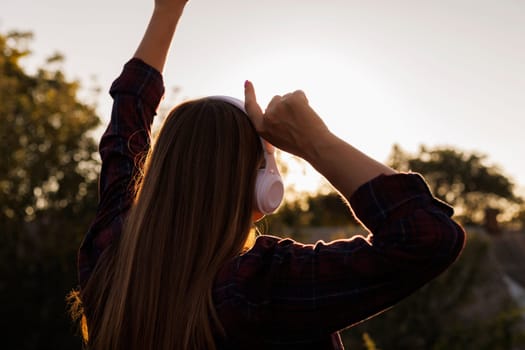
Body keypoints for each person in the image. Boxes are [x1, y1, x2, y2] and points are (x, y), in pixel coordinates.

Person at [69, 0, 466, 349]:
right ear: (263, 188)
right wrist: (314, 142)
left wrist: (167, 10)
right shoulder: (260, 287)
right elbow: (426, 237)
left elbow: (127, 121)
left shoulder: (112, 258)